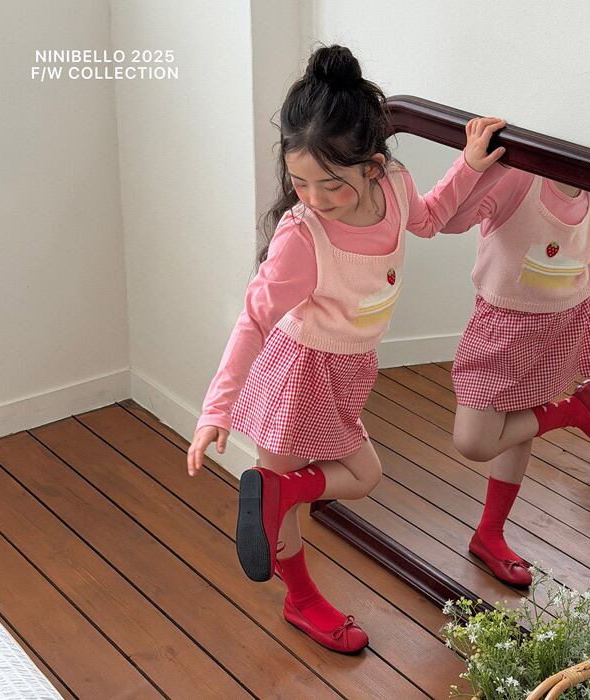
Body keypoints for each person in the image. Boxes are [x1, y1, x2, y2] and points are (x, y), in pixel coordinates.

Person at [186, 45, 504, 652]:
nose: (313, 197)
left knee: (361, 475)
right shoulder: (302, 237)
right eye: (299, 182)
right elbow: (254, 320)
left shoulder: (396, 187)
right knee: (295, 503)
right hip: (299, 371)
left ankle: (279, 491)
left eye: (330, 185)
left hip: (348, 371)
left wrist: (467, 166)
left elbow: (430, 219)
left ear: (373, 166)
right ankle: (301, 598)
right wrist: (215, 410)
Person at [441, 120, 590, 587]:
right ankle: (574, 410)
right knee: (474, 441)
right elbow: (448, 221)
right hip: (502, 328)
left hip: (562, 325)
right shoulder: (516, 177)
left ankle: (490, 533)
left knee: (516, 430)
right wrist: (469, 165)